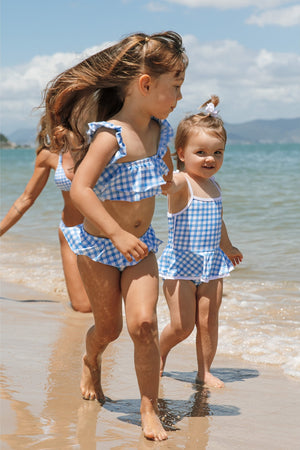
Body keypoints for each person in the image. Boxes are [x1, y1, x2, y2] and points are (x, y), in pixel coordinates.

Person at [42, 31, 188, 441]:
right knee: (108, 329)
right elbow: (82, 190)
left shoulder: (161, 129)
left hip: (141, 249)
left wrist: (172, 184)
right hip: (102, 246)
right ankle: (92, 360)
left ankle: (148, 409)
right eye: (174, 86)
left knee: (143, 324)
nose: (179, 96)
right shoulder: (110, 136)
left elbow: (167, 175)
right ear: (145, 85)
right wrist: (116, 232)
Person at [158, 96, 243, 388]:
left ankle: (204, 371)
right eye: (201, 152)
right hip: (181, 264)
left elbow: (217, 219)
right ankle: (158, 352)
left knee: (208, 321)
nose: (210, 159)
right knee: (183, 326)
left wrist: (227, 246)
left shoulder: (214, 185)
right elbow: (169, 183)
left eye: (218, 152)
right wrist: (165, 175)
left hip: (211, 263)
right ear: (181, 153)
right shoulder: (182, 182)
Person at [0, 116, 92, 313]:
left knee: (110, 306)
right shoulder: (49, 155)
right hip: (71, 234)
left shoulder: (97, 147)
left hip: (104, 234)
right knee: (83, 307)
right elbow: (26, 199)